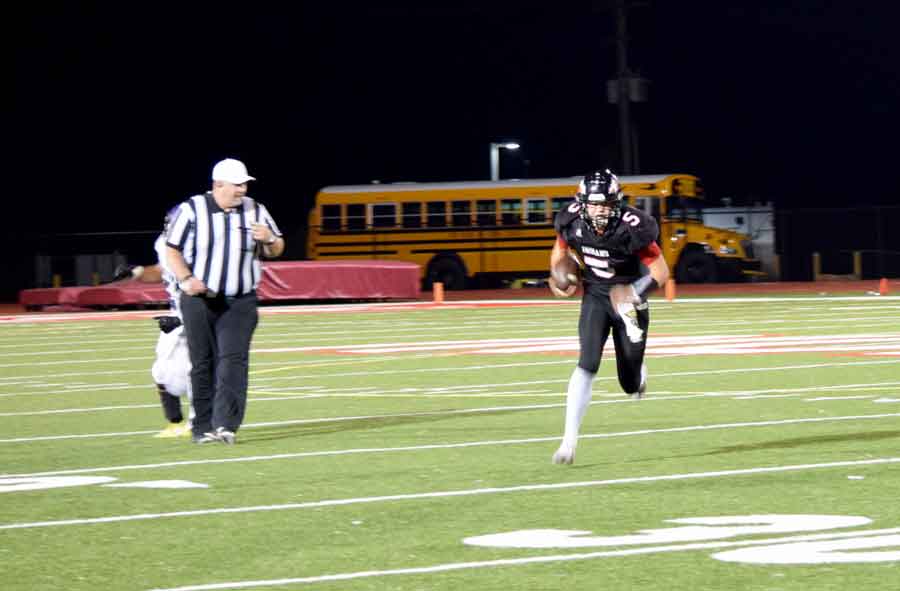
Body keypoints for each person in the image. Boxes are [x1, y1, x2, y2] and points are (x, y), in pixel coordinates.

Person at [549, 169, 670, 465]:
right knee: (586, 363)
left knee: (629, 385)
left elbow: (661, 272)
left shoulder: (633, 226)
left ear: (616, 203)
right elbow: (558, 255)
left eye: (605, 204)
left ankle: (638, 370)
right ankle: (568, 442)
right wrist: (559, 279)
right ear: (582, 202)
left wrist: (634, 291)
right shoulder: (571, 220)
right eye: (594, 204)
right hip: (596, 295)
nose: (600, 210)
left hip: (630, 297)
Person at [165, 158, 284, 444]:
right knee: (203, 362)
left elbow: (278, 247)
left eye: (245, 183)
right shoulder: (192, 209)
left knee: (233, 361)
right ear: (218, 185)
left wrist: (269, 238)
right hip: (200, 300)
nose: (243, 189)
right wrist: (186, 279)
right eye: (237, 184)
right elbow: (172, 250)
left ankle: (226, 425)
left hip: (240, 301)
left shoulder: (256, 209)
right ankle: (202, 426)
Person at [115, 208, 195, 438]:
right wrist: (138, 272)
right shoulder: (163, 243)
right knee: (162, 371)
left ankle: (197, 423)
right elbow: (162, 270)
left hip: (196, 311)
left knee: (196, 369)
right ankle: (175, 423)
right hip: (177, 314)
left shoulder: (196, 244)